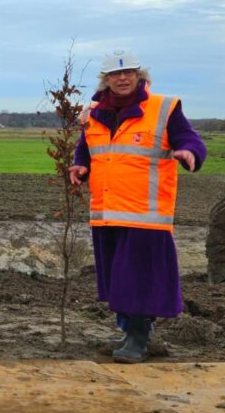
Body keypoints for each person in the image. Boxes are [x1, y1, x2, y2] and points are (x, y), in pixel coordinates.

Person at [67, 48, 207, 364]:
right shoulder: (92, 114)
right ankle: (131, 332)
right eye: (116, 74)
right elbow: (86, 149)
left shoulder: (163, 108)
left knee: (138, 280)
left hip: (146, 214)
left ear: (139, 76)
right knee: (118, 281)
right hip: (107, 211)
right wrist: (80, 166)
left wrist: (190, 154)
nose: (123, 78)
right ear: (106, 79)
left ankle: (138, 339)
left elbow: (191, 140)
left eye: (128, 72)